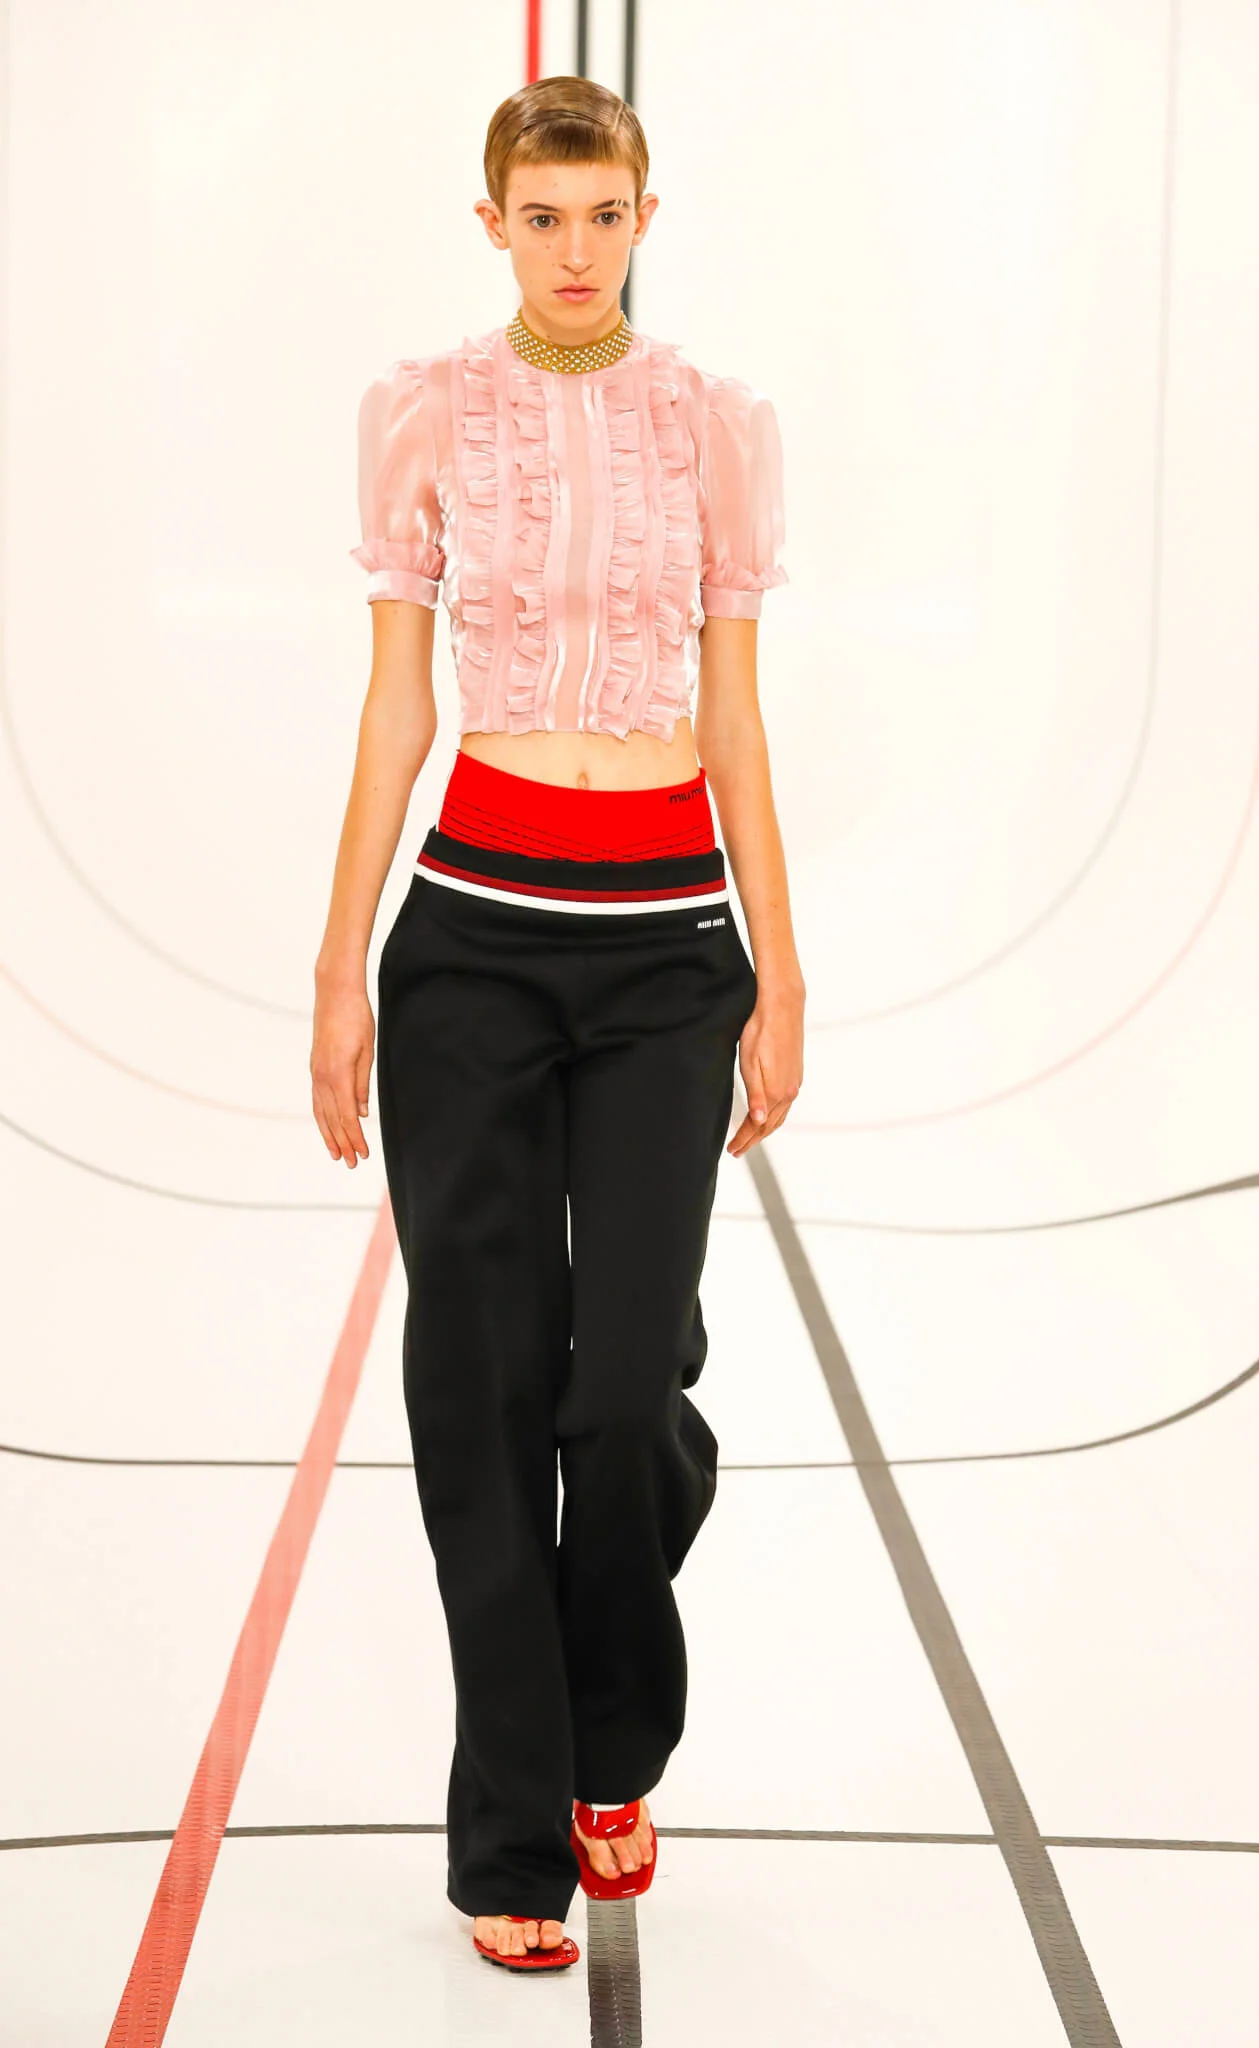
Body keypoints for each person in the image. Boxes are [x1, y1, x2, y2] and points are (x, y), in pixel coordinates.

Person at [310, 75, 804, 1973]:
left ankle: (615, 1724)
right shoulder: (427, 413)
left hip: (669, 952)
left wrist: (780, 969)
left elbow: (735, 716)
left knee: (626, 1384)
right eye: (544, 218)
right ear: (494, 223)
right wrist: (339, 968)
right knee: (482, 1386)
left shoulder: (715, 425)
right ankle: (520, 1827)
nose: (576, 251)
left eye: (605, 217)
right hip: (473, 953)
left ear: (645, 218)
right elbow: (396, 709)